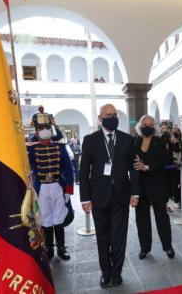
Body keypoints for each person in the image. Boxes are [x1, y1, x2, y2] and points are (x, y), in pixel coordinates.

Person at [79, 104, 139, 288]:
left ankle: (116, 273)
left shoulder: (128, 139)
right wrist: (85, 198)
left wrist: (135, 192)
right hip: (98, 197)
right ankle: (105, 272)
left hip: (121, 196)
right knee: (103, 237)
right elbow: (83, 171)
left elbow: (134, 168)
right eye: (108, 115)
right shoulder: (90, 140)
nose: (112, 117)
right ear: (100, 118)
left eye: (114, 115)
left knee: (119, 237)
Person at [27, 113, 74, 261]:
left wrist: (69, 189)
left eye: (47, 127)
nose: (45, 130)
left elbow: (68, 167)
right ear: (36, 130)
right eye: (41, 128)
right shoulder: (31, 148)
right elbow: (27, 167)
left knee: (59, 217)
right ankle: (48, 248)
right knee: (45, 217)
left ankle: (61, 247)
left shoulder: (59, 146)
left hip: (57, 186)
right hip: (41, 187)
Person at [133, 115, 175, 259]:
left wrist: (147, 167)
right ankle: (145, 248)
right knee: (141, 219)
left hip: (158, 184)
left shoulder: (160, 141)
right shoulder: (135, 141)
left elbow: (163, 160)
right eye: (145, 124)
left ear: (154, 127)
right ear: (139, 125)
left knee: (162, 218)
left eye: (151, 124)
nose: (148, 126)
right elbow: (130, 161)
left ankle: (168, 246)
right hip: (140, 186)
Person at [169, 127, 182, 209]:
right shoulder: (170, 143)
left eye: (177, 132)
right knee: (174, 184)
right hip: (173, 166)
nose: (176, 133)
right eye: (174, 132)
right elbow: (174, 151)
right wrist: (175, 142)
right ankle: (176, 200)